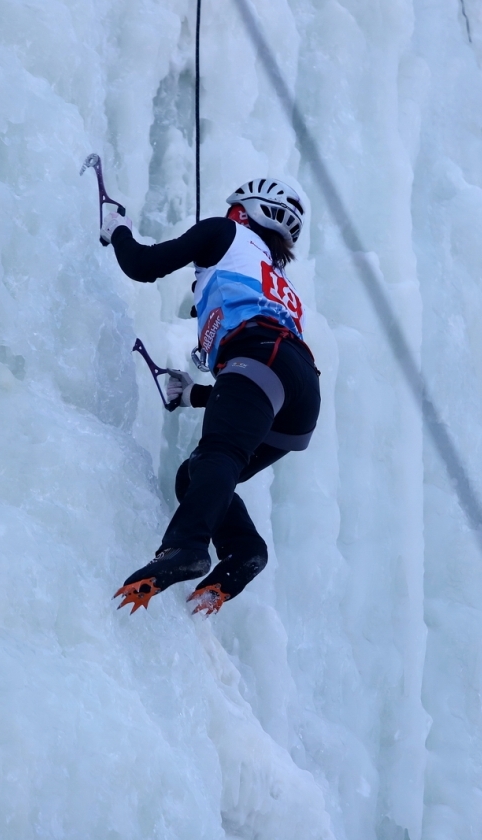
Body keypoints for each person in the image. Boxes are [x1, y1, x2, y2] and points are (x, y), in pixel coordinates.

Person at [101, 179, 320, 615]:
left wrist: (118, 230)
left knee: (219, 453)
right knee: (196, 475)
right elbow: (258, 387)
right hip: (297, 396)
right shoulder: (274, 277)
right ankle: (243, 551)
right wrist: (195, 395)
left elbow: (143, 265)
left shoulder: (224, 233)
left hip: (261, 358)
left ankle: (186, 548)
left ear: (244, 210)